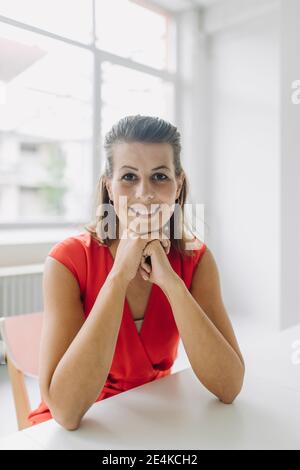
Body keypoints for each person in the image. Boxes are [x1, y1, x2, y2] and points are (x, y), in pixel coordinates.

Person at [28, 115, 245, 430]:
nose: (145, 193)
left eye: (159, 176)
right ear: (109, 186)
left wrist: (171, 283)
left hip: (152, 417)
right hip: (81, 426)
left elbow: (229, 387)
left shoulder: (197, 260)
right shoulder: (68, 261)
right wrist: (117, 277)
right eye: (129, 177)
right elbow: (65, 412)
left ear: (178, 184)